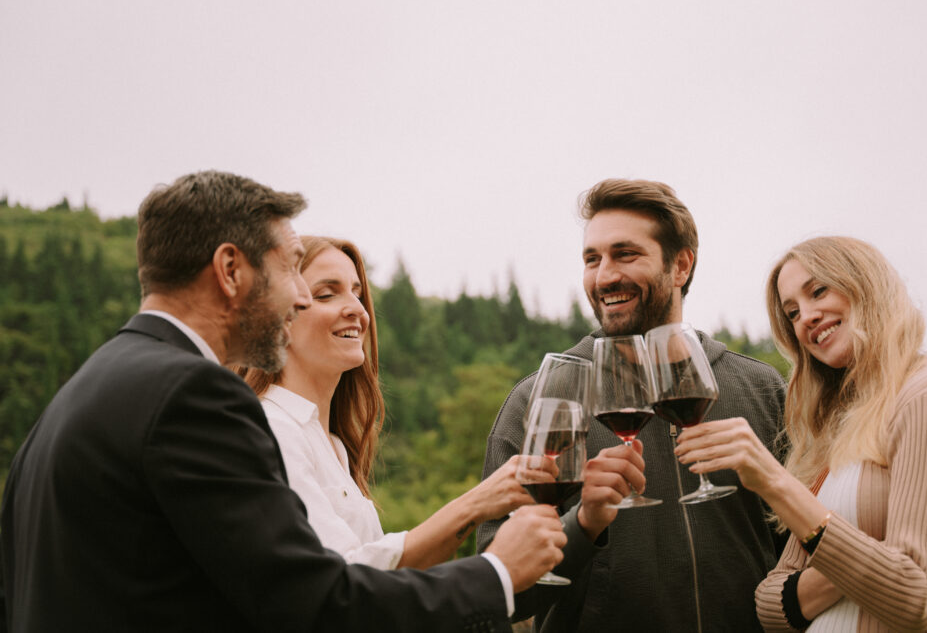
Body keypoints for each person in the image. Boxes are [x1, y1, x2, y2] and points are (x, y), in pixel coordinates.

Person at [0, 170, 566, 633]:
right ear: (230, 271)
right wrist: (494, 572)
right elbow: (313, 603)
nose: (297, 294)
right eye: (291, 267)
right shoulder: (192, 395)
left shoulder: (84, 389)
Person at [479, 178, 789, 631]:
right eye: (592, 259)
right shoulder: (540, 400)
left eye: (625, 254)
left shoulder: (760, 388)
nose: (605, 276)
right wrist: (582, 525)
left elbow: (799, 550)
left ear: (681, 265)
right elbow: (497, 595)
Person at [675, 236, 927, 630]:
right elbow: (770, 607)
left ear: (866, 284)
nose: (806, 317)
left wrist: (775, 483)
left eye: (819, 291)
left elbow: (914, 599)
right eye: (792, 313)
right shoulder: (840, 427)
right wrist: (867, 564)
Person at [239, 235, 531, 569]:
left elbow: (382, 586)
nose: (357, 310)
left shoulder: (333, 444)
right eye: (326, 294)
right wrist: (477, 506)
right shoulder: (273, 430)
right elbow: (344, 577)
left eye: (357, 293)